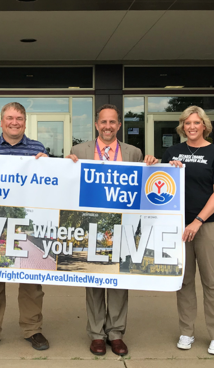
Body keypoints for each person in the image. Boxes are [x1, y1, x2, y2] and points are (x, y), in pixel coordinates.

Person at [66, 104, 158, 356]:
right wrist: (66, 167)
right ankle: (96, 334)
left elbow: (143, 185)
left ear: (119, 125)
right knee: (94, 279)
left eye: (113, 122)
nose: (108, 126)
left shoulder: (134, 152)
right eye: (103, 122)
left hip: (123, 226)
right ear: (97, 125)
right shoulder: (78, 151)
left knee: (119, 279)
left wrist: (152, 164)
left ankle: (116, 333)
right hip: (90, 225)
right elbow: (68, 185)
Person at [0, 102, 50, 353]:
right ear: (1, 122)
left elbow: (49, 185)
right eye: (9, 118)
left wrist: (48, 165)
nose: (14, 122)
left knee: (31, 280)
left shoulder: (38, 149)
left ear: (25, 122)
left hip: (29, 223)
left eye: (19, 118)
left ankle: (33, 329)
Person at [161, 106, 214, 356]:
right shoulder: (173, 151)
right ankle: (186, 332)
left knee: (211, 282)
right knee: (184, 281)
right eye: (187, 123)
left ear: (204, 126)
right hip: (179, 226)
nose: (191, 126)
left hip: (208, 225)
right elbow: (159, 183)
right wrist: (164, 166)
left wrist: (198, 221)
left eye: (196, 122)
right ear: (182, 126)